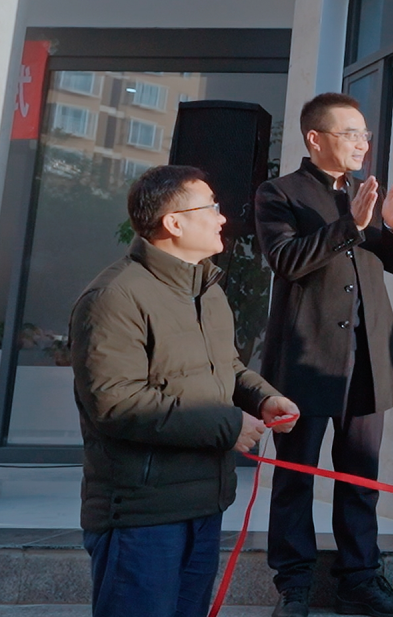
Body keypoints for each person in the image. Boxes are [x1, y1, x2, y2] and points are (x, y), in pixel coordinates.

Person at [70, 165, 300, 617]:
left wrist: (262, 398)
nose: (222, 218)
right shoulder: (115, 297)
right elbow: (117, 403)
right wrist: (229, 425)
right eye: (210, 207)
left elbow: (225, 367)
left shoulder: (206, 290)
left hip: (204, 503)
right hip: (143, 515)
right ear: (173, 223)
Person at [256, 92, 393, 617]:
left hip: (368, 357)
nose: (362, 144)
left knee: (360, 479)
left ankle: (360, 580)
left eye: (364, 134)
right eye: (350, 133)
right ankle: (294, 586)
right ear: (315, 138)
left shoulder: (363, 191)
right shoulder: (278, 193)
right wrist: (351, 224)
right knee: (295, 478)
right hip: (306, 359)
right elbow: (287, 260)